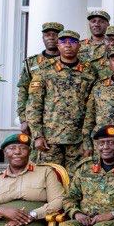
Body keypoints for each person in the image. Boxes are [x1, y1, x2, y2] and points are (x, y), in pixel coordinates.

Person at [27, 29, 96, 167]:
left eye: (73, 42)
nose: (68, 45)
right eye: (63, 42)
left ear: (79, 45)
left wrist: (88, 139)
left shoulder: (89, 71)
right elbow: (34, 105)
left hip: (78, 139)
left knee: (75, 179)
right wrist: (37, 135)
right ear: (58, 45)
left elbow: (93, 106)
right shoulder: (45, 70)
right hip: (50, 138)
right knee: (50, 178)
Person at [16, 21, 64, 133]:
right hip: (36, 120)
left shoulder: (69, 61)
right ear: (43, 38)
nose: (51, 38)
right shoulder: (32, 63)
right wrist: (23, 119)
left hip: (62, 120)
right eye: (47, 35)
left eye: (55, 34)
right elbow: (23, 90)